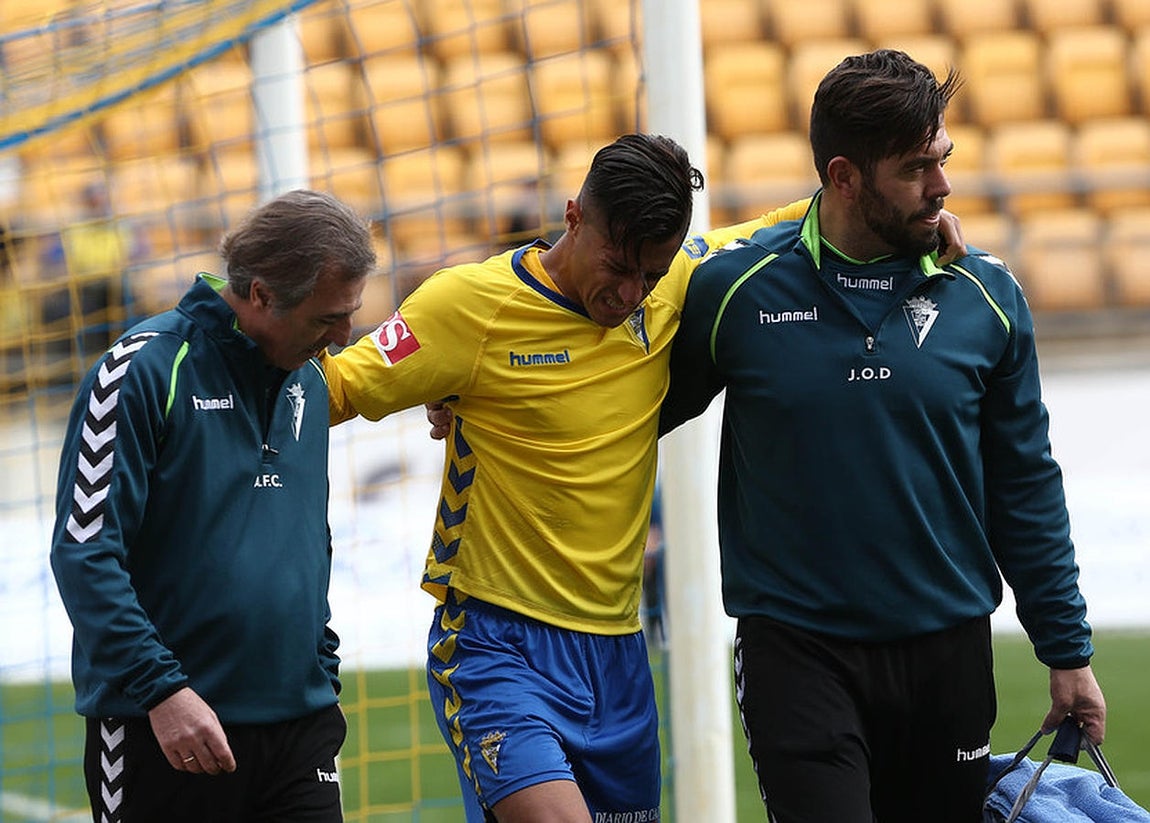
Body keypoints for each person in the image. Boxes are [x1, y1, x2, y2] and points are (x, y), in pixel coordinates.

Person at [405, 133, 967, 821]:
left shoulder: (678, 275)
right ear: (574, 214)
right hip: (496, 638)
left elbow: (788, 221)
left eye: (650, 274)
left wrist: (922, 221)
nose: (631, 293)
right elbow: (332, 385)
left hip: (616, 652)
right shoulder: (467, 305)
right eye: (618, 267)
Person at [658, 49, 1106, 823]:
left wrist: (1066, 650)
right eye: (915, 169)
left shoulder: (988, 297)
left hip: (948, 656)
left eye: (943, 160)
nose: (942, 186)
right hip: (798, 653)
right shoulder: (734, 293)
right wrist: (487, 398)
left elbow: (1025, 483)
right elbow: (628, 409)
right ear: (843, 177)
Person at [50, 189, 376, 822]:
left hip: (299, 728)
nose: (343, 337)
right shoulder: (141, 371)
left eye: (351, 313)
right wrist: (162, 691)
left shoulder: (309, 380)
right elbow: (85, 554)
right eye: (325, 318)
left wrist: (319, 662)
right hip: (163, 729)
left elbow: (307, 538)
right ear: (260, 294)